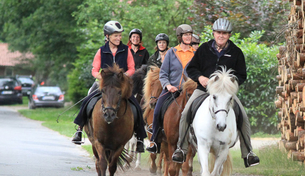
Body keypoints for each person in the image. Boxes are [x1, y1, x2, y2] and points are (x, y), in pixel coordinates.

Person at [171, 18, 260, 167]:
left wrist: (232, 82)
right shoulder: (204, 49)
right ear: (213, 33)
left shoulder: (236, 52)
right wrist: (200, 77)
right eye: (219, 32)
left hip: (225, 93)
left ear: (229, 35)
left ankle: (248, 153)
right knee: (186, 113)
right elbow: (191, 68)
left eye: (224, 33)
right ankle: (181, 149)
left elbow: (242, 75)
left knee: (243, 116)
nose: (221, 35)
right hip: (203, 90)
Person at [71, 20, 146, 152]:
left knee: (136, 106)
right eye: (116, 35)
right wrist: (102, 77)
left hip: (120, 85)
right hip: (104, 83)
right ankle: (79, 129)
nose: (119, 38)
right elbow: (94, 70)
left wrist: (123, 76)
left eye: (120, 35)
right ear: (107, 36)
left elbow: (132, 68)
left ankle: (140, 137)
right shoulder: (101, 51)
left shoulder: (126, 50)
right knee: (88, 99)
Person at [146, 24, 196, 153]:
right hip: (171, 89)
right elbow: (163, 74)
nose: (188, 37)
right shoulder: (171, 53)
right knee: (157, 111)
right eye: (185, 35)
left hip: (190, 90)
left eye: (190, 34)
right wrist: (168, 86)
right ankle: (155, 142)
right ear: (180, 37)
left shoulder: (196, 54)